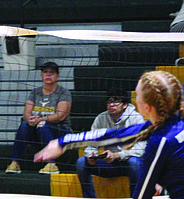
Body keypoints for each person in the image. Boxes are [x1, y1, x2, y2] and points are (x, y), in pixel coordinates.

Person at [36, 70, 184, 199]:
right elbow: (115, 135)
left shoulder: (162, 140)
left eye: (137, 95)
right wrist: (63, 142)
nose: (134, 99)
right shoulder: (168, 124)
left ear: (146, 107)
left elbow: (143, 193)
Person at [5, 61, 72, 175]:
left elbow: (60, 116)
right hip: (38, 129)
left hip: (61, 131)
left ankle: (52, 164)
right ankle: (15, 163)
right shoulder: (35, 92)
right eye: (45, 72)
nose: (48, 75)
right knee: (25, 125)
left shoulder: (63, 93)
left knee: (42, 125)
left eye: (52, 72)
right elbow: (26, 113)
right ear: (41, 75)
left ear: (57, 76)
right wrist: (30, 120)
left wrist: (41, 120)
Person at [76, 88, 145, 198]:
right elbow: (92, 143)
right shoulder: (101, 118)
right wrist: (91, 155)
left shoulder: (136, 119)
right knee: (81, 162)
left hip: (128, 163)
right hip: (109, 163)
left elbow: (140, 149)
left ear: (125, 105)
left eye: (116, 101)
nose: (112, 104)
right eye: (109, 101)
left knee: (135, 163)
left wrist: (117, 155)